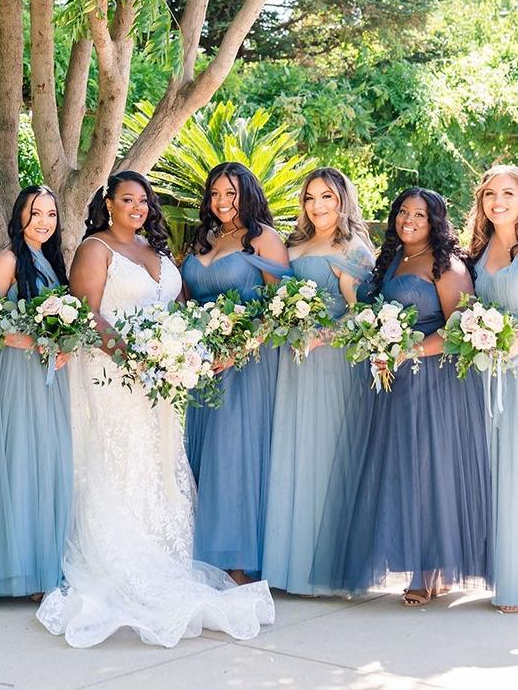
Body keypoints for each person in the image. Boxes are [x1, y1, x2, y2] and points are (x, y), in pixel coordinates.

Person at [37, 170, 274, 647]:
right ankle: (119, 556)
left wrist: (180, 352)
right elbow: (88, 314)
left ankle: (165, 554)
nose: (138, 208)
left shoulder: (157, 252)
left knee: (159, 459)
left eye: (143, 201)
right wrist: (137, 358)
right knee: (117, 460)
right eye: (128, 199)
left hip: (159, 379)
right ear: (109, 203)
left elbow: (182, 307)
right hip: (112, 373)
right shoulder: (95, 249)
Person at [310, 188, 492, 605]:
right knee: (403, 471)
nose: (408, 220)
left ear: (435, 222)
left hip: (436, 384)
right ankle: (424, 564)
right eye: (403, 212)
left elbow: (458, 331)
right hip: (394, 385)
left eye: (420, 215)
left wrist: (406, 349)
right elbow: (370, 316)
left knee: (431, 472)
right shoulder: (391, 260)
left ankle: (427, 571)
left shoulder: (449, 266)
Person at [262, 168, 374, 594]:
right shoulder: (292, 244)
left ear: (343, 200)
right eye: (310, 198)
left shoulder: (354, 248)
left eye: (327, 197)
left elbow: (362, 315)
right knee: (292, 449)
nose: (318, 206)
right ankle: (289, 564)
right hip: (293, 359)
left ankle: (329, 570)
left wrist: (322, 336)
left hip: (333, 362)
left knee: (326, 454)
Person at [181, 162, 290, 583]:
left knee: (235, 453)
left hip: (246, 363)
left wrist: (240, 346)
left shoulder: (264, 239)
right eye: (215, 194)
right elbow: (188, 299)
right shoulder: (203, 238)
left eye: (231, 193)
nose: (222, 202)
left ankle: (239, 558)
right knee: (206, 451)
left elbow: (282, 306)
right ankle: (205, 553)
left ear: (248, 193)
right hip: (202, 362)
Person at [0, 186, 72, 600]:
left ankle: (46, 563)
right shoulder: (7, 260)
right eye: (35, 213)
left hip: (50, 376)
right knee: (23, 458)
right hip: (18, 374)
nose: (43, 221)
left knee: (49, 460)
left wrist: (64, 346)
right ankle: (23, 570)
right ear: (20, 215)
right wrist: (30, 341)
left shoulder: (51, 262)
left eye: (50, 214)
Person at [469, 164, 518, 613]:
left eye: (507, 193)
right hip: (488, 376)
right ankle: (507, 574)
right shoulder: (479, 251)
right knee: (496, 475)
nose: (497, 201)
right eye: (489, 195)